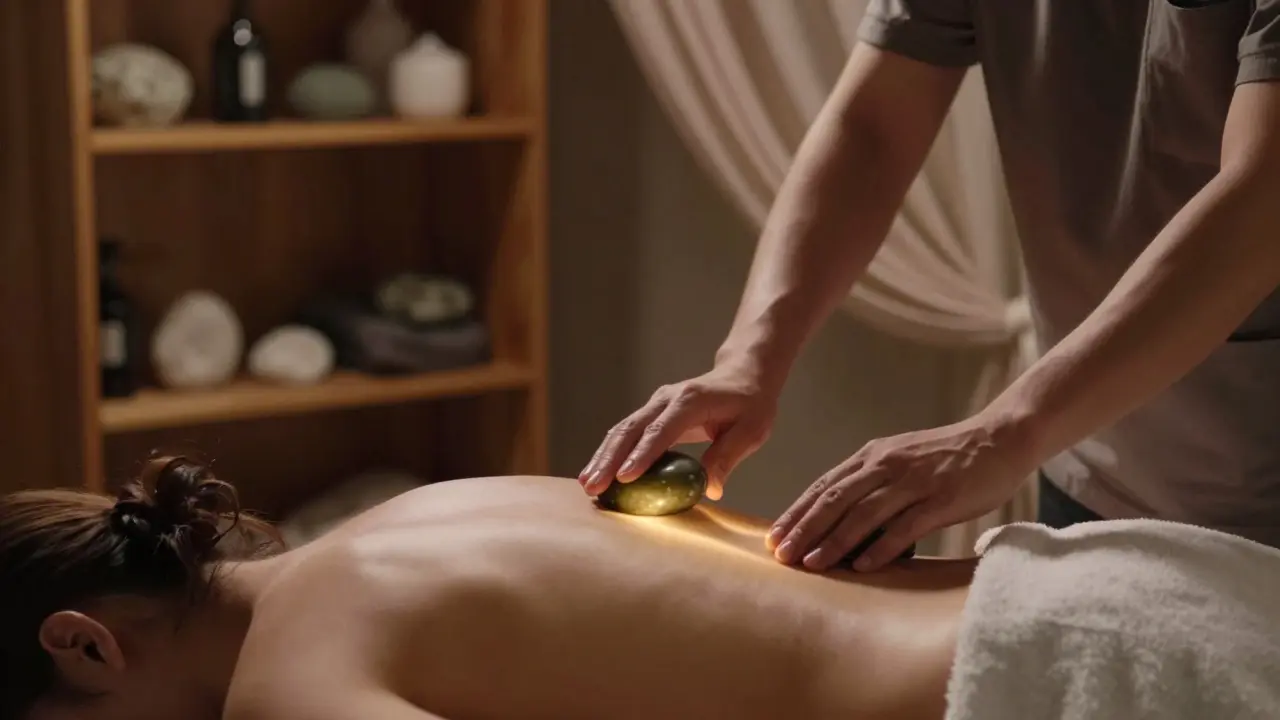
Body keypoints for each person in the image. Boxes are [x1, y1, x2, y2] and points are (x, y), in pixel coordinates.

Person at [580, 0, 1280, 572]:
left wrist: (1003, 433)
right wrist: (749, 358)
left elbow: (1262, 203)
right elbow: (874, 129)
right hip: (1093, 470)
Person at [0, 455, 976, 720]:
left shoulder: (286, 689)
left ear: (83, 645)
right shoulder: (424, 511)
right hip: (1047, 587)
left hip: (1019, 693)